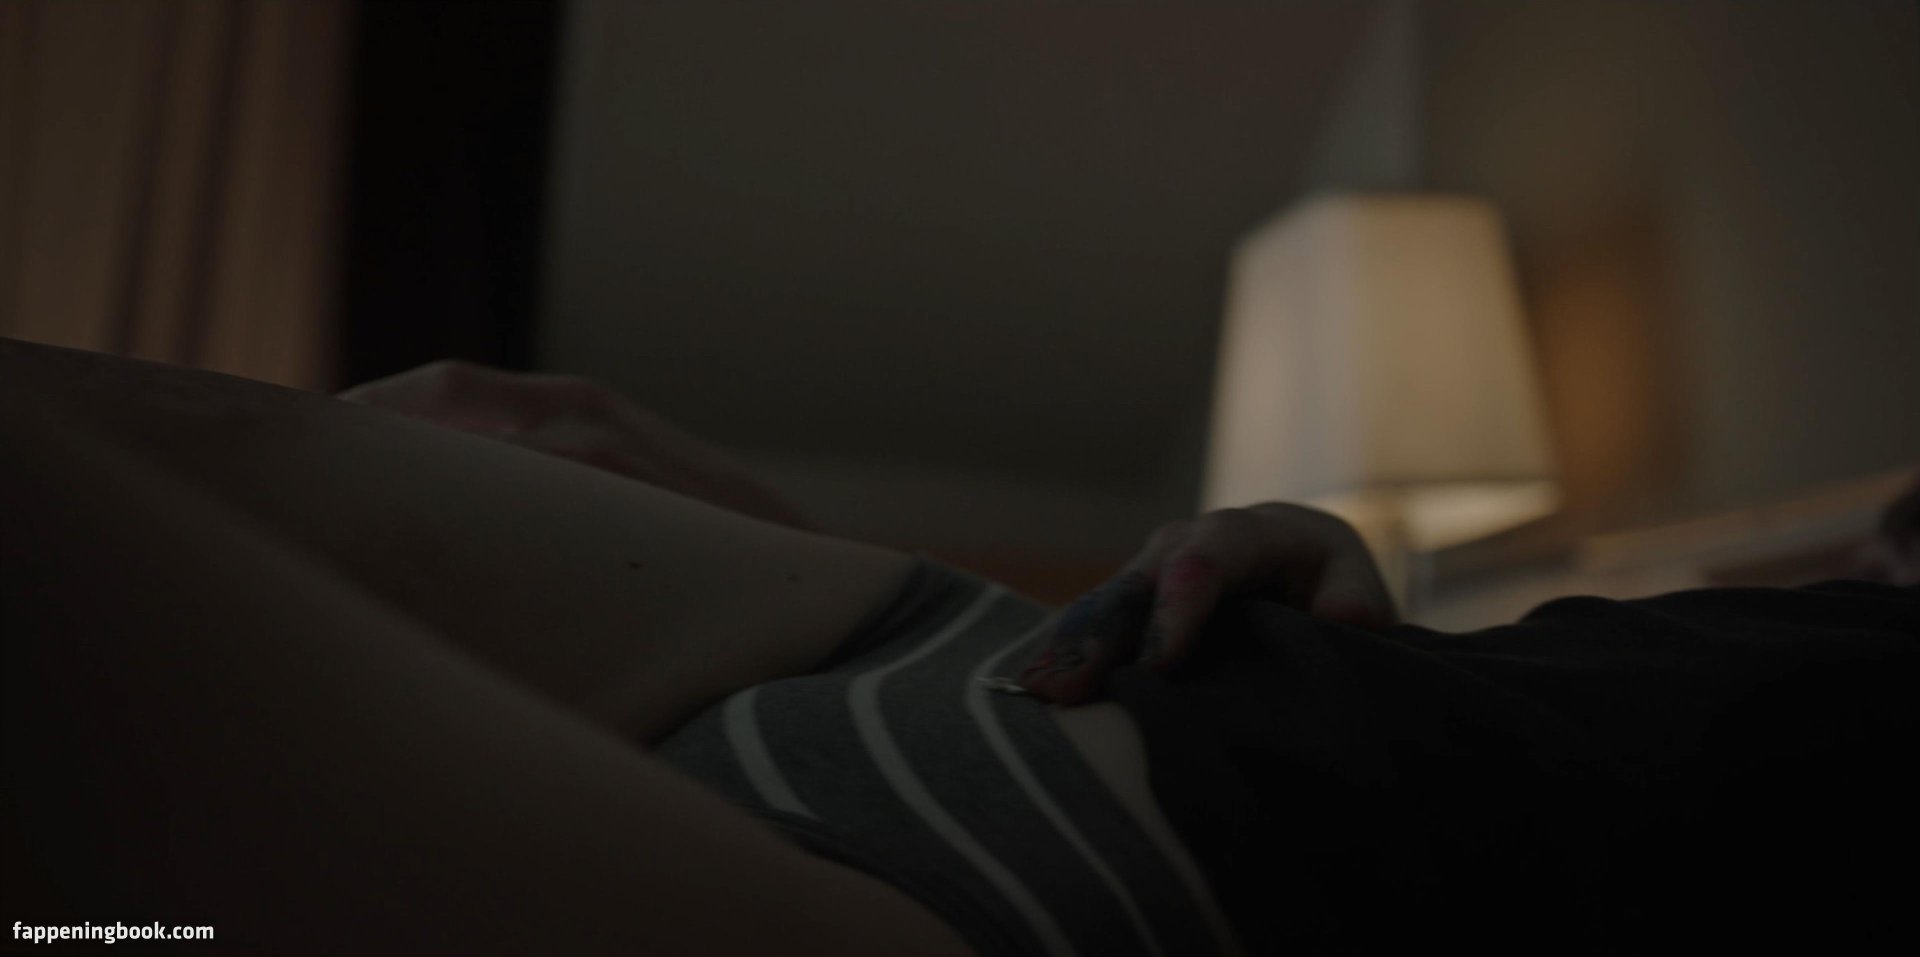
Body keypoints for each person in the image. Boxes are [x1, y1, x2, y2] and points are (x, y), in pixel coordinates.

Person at [3, 337, 1915, 954]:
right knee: (489, 416)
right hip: (1015, 703)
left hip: (1148, 860)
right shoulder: (1817, 609)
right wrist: (1358, 590)